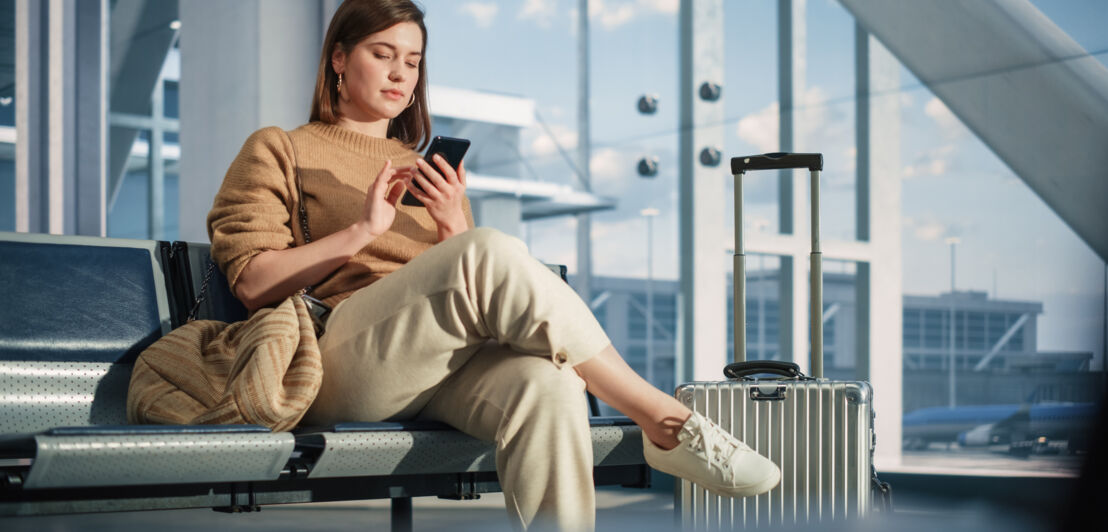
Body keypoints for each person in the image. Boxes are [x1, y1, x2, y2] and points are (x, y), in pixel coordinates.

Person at [206, 0, 780, 529]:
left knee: (548, 385)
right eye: (382, 55)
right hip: (338, 359)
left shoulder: (422, 167)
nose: (400, 73)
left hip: (436, 365)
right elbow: (253, 282)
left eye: (412, 60)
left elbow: (465, 284)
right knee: (490, 250)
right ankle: (663, 418)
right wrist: (363, 231)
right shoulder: (280, 147)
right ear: (338, 58)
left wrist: (453, 222)